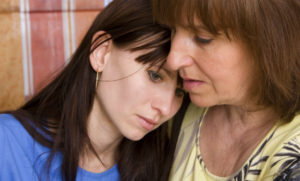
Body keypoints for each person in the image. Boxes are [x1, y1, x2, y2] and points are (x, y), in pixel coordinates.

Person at [0, 0, 187, 180]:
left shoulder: (165, 167)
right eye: (154, 75)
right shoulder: (7, 143)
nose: (166, 107)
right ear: (102, 53)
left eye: (180, 92)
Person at [152, 0, 300, 180]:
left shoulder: (293, 156)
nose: (172, 60)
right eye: (172, 30)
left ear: (270, 42)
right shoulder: (173, 104)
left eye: (203, 38)